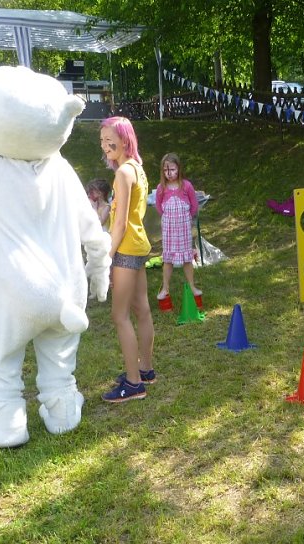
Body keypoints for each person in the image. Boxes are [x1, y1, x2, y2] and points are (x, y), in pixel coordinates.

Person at [99, 116, 154, 402]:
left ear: (124, 140)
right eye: (102, 140)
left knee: (119, 315)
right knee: (141, 309)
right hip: (139, 245)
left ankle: (133, 384)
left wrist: (107, 258)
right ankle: (145, 370)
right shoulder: (136, 168)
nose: (106, 145)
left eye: (111, 139)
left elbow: (119, 224)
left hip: (126, 250)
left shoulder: (123, 173)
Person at [154, 152, 201, 301]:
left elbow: (194, 206)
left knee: (187, 258)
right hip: (169, 229)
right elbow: (159, 207)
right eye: (166, 170)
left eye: (172, 169)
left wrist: (187, 219)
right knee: (168, 260)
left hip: (183, 227)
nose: (170, 173)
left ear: (179, 169)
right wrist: (168, 218)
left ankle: (192, 286)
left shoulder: (186, 186)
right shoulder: (161, 188)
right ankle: (165, 288)